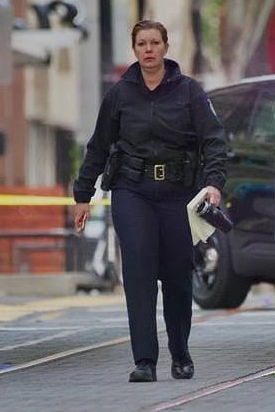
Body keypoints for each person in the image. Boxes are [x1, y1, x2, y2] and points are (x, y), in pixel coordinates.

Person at [73, 19, 228, 383]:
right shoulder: (120, 94)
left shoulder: (189, 92)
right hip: (132, 190)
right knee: (139, 273)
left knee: (177, 275)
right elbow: (97, 147)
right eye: (141, 43)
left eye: (154, 43)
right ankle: (144, 360)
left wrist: (214, 183)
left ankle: (181, 353)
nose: (148, 49)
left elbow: (214, 141)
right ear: (134, 49)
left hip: (178, 193)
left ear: (165, 47)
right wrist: (83, 195)